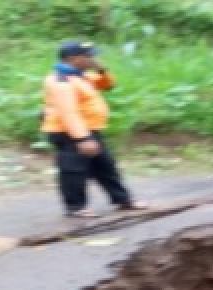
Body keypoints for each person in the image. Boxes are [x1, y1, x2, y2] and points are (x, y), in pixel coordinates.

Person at [41, 41, 147, 218]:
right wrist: (82, 139)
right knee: (74, 170)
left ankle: (122, 200)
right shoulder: (61, 81)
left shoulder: (81, 76)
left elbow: (108, 85)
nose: (92, 59)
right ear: (73, 58)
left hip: (89, 130)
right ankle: (76, 207)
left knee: (106, 166)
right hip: (68, 132)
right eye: (88, 56)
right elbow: (69, 113)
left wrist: (102, 69)